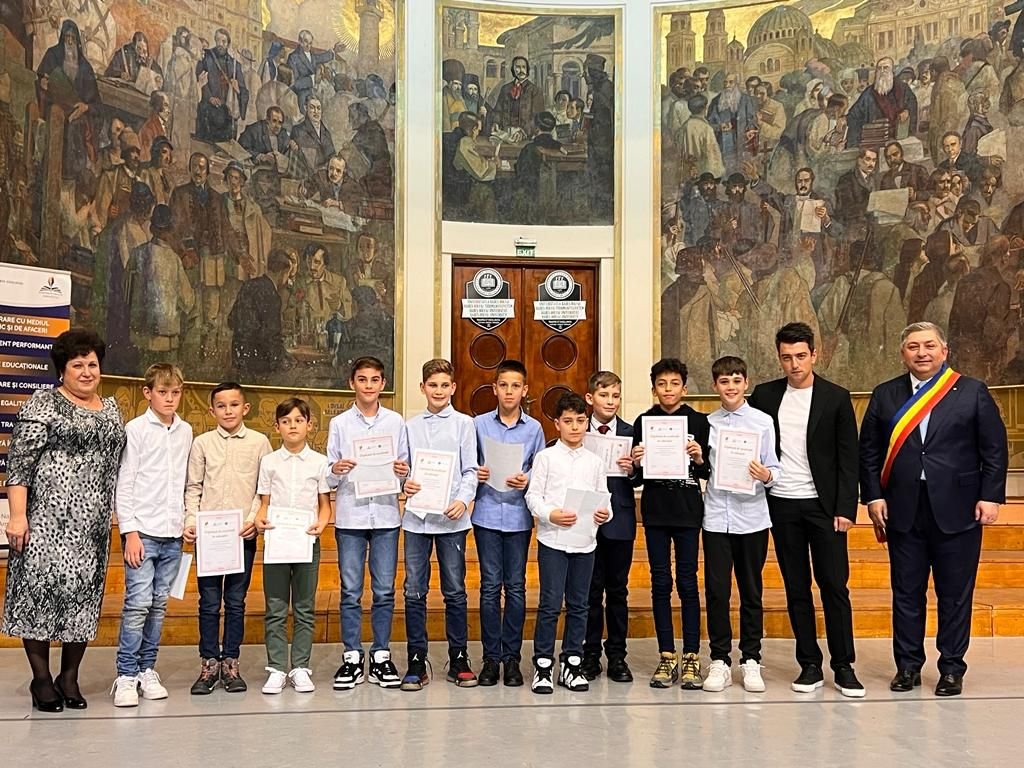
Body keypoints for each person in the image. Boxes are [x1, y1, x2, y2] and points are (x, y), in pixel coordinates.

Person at [859, 322, 1007, 696]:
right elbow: (869, 452)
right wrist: (873, 497)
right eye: (913, 347)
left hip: (959, 509)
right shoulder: (886, 394)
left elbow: (994, 448)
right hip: (902, 508)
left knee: (955, 594)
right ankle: (907, 666)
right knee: (906, 593)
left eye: (929, 345)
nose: (921, 353)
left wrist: (991, 496)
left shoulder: (971, 391)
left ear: (944, 351)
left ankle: (952, 668)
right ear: (902, 354)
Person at [3, 329, 127, 712]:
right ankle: (41, 681)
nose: (87, 372)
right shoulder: (43, 403)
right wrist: (17, 516)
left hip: (92, 529)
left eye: (92, 364)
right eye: (78, 365)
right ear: (63, 370)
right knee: (37, 598)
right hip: (45, 524)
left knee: (83, 601)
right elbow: (19, 466)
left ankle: (69, 677)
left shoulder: (111, 410)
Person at [748, 323, 864, 698]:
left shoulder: (836, 397)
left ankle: (843, 665)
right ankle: (809, 664)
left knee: (834, 585)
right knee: (796, 587)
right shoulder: (765, 395)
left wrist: (846, 508)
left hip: (824, 508)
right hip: (782, 504)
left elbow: (849, 458)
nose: (794, 364)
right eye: (787, 357)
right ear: (779, 358)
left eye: (801, 356)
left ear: (815, 354)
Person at [326, 357, 410, 690]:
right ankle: (351, 657)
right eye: (362, 379)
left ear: (383, 384)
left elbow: (404, 470)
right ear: (352, 383)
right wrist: (337, 470)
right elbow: (329, 474)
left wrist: (403, 473)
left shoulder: (396, 422)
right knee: (350, 591)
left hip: (386, 515)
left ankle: (380, 655)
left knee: (384, 590)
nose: (369, 386)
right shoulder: (340, 424)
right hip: (351, 515)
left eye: (375, 380)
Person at [111, 364, 192, 707]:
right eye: (163, 392)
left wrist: (186, 522)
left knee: (158, 605)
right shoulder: (136, 429)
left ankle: (147, 669)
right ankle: (126, 674)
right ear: (148, 393)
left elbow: (185, 482)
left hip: (172, 534)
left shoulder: (186, 431)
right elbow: (125, 483)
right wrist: (129, 531)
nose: (169, 399)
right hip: (142, 532)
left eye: (175, 393)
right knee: (138, 604)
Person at [184, 382, 272, 695]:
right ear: (212, 411)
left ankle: (231, 662)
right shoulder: (202, 443)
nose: (228, 411)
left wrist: (253, 520)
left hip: (242, 534)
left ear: (245, 408)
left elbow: (264, 489)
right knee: (209, 602)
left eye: (234, 405)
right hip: (209, 537)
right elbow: (194, 487)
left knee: (235, 602)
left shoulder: (260, 443)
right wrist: (191, 521)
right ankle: (209, 663)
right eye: (221, 406)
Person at [701, 356, 781, 694]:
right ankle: (719, 659)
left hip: (752, 518)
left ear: (746, 383)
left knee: (751, 590)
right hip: (716, 517)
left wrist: (766, 474)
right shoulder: (707, 423)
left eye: (736, 380)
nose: (730, 387)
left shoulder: (763, 422)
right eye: (724, 381)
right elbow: (702, 467)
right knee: (717, 591)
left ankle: (751, 658)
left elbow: (775, 467)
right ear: (715, 386)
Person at [630, 358, 710, 690]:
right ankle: (666, 655)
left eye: (674, 383)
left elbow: (706, 471)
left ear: (684, 388)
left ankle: (691, 655)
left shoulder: (699, 421)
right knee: (660, 582)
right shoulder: (643, 421)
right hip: (656, 510)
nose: (668, 389)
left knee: (688, 583)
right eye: (661, 384)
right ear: (654, 389)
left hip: (688, 510)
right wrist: (636, 464)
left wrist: (699, 457)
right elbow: (636, 478)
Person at [400, 359, 479, 691]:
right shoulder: (409, 426)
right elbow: (402, 469)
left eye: (445, 385)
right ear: (422, 388)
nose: (439, 391)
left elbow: (470, 470)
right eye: (433, 385)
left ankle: (458, 657)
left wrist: (463, 499)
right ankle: (417, 660)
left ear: (453, 388)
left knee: (455, 590)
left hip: (452, 519)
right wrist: (404, 483)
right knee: (414, 590)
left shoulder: (464, 424)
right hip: (416, 520)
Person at [525, 392, 612, 694]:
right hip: (553, 541)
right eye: (568, 421)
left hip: (585, 543)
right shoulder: (546, 458)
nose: (575, 427)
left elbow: (604, 499)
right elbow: (533, 496)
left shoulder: (595, 462)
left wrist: (604, 514)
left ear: (587, 423)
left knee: (580, 604)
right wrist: (551, 514)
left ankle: (572, 662)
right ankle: (543, 665)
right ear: (557, 424)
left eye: (580, 421)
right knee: (550, 604)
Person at [472, 360, 546, 688]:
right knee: (490, 587)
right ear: (494, 389)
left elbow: (540, 469)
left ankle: (512, 657)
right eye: (503, 385)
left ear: (524, 390)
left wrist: (527, 478)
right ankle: (491, 658)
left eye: (515, 386)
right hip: (487, 514)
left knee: (515, 586)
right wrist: (477, 472)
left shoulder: (534, 429)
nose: (509, 392)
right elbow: (467, 463)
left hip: (518, 516)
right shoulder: (478, 425)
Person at [254, 398, 332, 694]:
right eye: (286, 421)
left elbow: (325, 506)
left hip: (306, 541)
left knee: (304, 607)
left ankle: (300, 666)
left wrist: (321, 525)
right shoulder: (269, 462)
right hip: (276, 542)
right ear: (277, 427)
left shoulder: (319, 462)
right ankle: (276, 668)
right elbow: (264, 503)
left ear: (310, 425)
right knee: (275, 607)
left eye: (299, 420)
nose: (293, 426)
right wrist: (260, 519)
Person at [582, 371, 640, 683]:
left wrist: (633, 470)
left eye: (615, 396)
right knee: (590, 590)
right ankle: (590, 654)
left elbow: (641, 478)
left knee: (617, 590)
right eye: (604, 395)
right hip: (586, 520)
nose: (610, 402)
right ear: (590, 398)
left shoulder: (631, 432)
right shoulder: (578, 430)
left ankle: (617, 655)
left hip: (620, 521)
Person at [127, 204, 197, 369]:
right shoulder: (174, 259)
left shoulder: (137, 254)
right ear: (170, 231)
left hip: (141, 333)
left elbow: (126, 292)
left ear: (152, 228)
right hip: (167, 335)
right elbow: (187, 301)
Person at [228, 249, 292, 379]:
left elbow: (231, 321)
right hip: (259, 366)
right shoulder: (273, 296)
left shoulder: (249, 285)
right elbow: (271, 338)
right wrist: (285, 361)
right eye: (288, 274)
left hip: (239, 359)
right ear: (283, 272)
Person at [845, 57, 917, 147]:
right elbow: (855, 114)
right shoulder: (869, 93)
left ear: (892, 71)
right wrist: (844, 119)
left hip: (899, 137)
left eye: (885, 68)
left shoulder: (903, 89)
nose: (882, 71)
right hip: (876, 139)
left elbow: (912, 104)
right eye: (879, 68)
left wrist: (907, 111)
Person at [196, 28, 249, 143]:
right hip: (209, 110)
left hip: (227, 114)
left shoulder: (235, 65)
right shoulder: (206, 57)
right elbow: (199, 78)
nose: (220, 44)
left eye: (223, 41)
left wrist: (238, 90)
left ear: (228, 43)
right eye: (218, 40)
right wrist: (209, 97)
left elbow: (244, 92)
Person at [288, 30, 342, 113]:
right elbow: (295, 84)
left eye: (310, 43)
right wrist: (313, 79)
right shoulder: (293, 57)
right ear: (300, 41)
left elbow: (323, 57)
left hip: (315, 90)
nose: (308, 46)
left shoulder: (312, 55)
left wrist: (334, 51)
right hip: (303, 93)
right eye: (306, 42)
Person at [492, 56, 544, 133]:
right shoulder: (505, 89)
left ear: (527, 69)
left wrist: (524, 131)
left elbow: (538, 117)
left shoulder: (535, 90)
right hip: (505, 132)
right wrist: (496, 122)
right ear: (513, 69)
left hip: (526, 134)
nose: (521, 70)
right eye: (518, 67)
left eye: (524, 67)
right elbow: (498, 110)